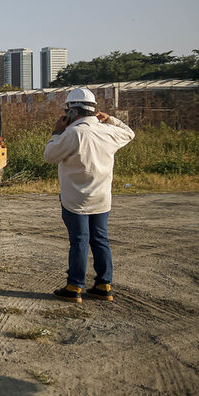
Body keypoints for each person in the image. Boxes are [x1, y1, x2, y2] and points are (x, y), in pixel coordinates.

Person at [43, 87, 134, 303]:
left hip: (75, 199)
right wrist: (111, 119)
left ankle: (74, 286)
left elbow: (49, 155)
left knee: (80, 241)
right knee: (100, 239)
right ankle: (104, 284)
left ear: (72, 112)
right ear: (94, 110)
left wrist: (56, 132)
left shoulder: (73, 133)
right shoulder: (109, 132)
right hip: (102, 198)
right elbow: (130, 132)